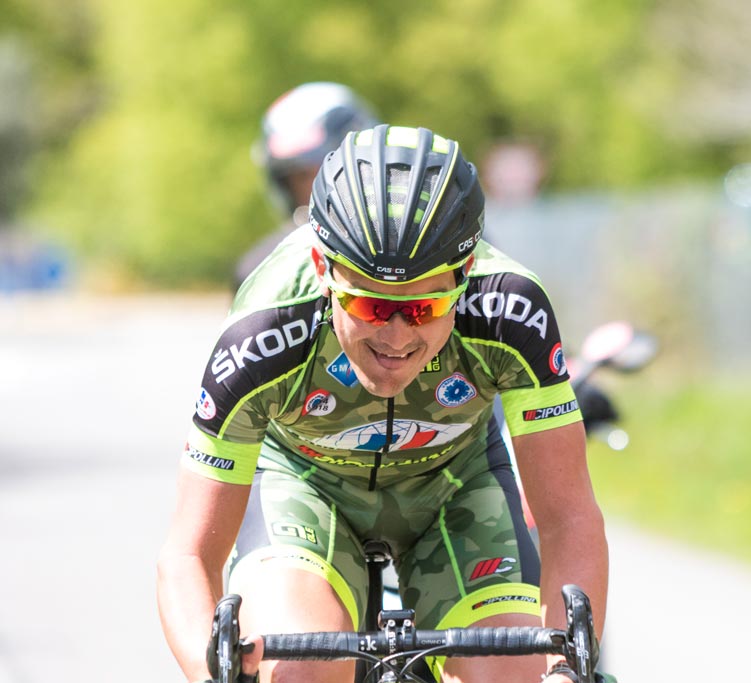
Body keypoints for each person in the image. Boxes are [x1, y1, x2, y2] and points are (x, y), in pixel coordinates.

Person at [157, 124, 609, 683]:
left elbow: (569, 519)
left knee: (512, 674)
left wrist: (565, 670)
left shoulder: (509, 309)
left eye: (423, 309)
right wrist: (210, 672)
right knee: (300, 671)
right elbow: (188, 555)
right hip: (305, 485)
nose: (395, 338)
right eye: (369, 306)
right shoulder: (266, 329)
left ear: (465, 274)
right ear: (323, 268)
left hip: (456, 483)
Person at [235, 82, 379, 289]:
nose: (317, 190)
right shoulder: (262, 270)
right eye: (302, 176)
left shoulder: (411, 255)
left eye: (329, 173)